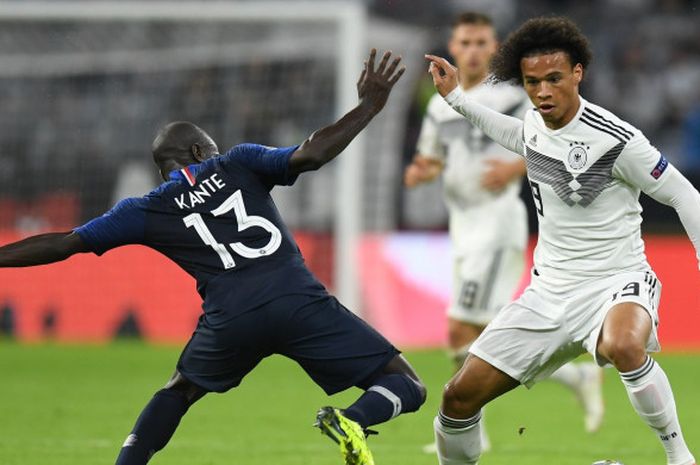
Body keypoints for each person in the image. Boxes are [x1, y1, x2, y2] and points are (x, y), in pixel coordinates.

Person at [0, 49, 425, 465]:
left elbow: (64, 243)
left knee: (178, 391)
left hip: (232, 319)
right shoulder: (238, 162)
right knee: (406, 383)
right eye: (211, 147)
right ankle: (354, 419)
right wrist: (368, 107)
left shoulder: (145, 208)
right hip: (297, 300)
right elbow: (311, 153)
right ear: (202, 152)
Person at [425, 16, 697, 465]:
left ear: (577, 74)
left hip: (616, 279)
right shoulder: (534, 126)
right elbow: (514, 133)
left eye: (554, 79)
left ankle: (679, 457)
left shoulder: (619, 139)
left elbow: (684, 194)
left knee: (626, 346)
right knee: (458, 398)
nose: (543, 92)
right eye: (532, 82)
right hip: (548, 292)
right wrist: (456, 97)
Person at [405, 12, 603, 451]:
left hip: (497, 223)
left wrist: (516, 165)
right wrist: (422, 170)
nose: (472, 51)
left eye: (480, 43)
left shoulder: (515, 95)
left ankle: (470, 428)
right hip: (462, 225)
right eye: (465, 43)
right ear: (453, 48)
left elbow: (553, 140)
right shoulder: (441, 103)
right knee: (482, 331)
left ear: (493, 48)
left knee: (461, 331)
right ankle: (576, 376)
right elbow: (435, 157)